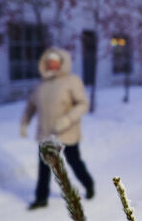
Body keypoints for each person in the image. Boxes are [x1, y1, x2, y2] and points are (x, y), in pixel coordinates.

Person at [20, 47, 95, 209]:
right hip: (46, 133)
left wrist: (67, 119)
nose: (51, 65)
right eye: (48, 62)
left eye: (54, 63)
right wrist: (25, 122)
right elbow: (31, 106)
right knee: (44, 167)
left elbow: (83, 104)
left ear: (62, 63)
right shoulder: (41, 85)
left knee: (74, 161)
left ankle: (89, 185)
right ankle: (41, 198)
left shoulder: (72, 81)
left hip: (67, 132)